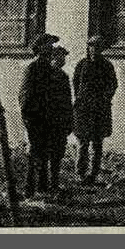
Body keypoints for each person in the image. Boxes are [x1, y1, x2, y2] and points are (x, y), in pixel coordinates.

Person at [18, 32, 63, 196]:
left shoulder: (49, 69)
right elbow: (25, 96)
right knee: (35, 154)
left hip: (48, 119)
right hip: (36, 119)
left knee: (45, 153)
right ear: (40, 48)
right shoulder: (32, 68)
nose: (51, 48)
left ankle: (42, 187)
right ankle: (29, 189)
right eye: (48, 45)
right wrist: (29, 119)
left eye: (51, 45)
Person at [72, 35, 118, 184]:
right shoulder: (82, 65)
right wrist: (80, 98)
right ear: (88, 48)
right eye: (91, 46)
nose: (94, 50)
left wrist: (105, 98)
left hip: (99, 109)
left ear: (101, 49)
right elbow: (76, 83)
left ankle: (94, 173)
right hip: (84, 109)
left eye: (97, 47)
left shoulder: (107, 66)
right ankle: (81, 173)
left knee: (98, 143)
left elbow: (113, 84)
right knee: (83, 142)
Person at [48, 45, 74, 193]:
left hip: (61, 121)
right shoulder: (48, 75)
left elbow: (68, 100)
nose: (63, 60)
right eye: (60, 57)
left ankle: (54, 182)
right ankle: (46, 184)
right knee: (48, 152)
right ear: (53, 58)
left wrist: (69, 120)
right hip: (50, 120)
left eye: (63, 57)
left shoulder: (63, 76)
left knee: (58, 153)